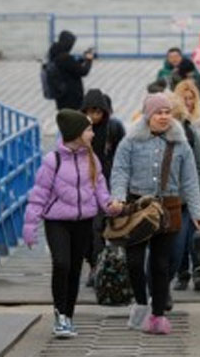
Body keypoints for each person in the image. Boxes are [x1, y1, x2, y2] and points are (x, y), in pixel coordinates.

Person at [109, 93, 200, 334]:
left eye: (167, 112)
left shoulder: (181, 144)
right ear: (148, 115)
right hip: (137, 207)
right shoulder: (130, 141)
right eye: (158, 113)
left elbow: (190, 181)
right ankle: (141, 302)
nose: (164, 117)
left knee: (161, 263)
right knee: (133, 260)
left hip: (168, 207)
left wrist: (197, 212)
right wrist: (118, 197)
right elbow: (119, 171)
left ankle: (157, 315)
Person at [23, 109, 120, 338]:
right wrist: (30, 226)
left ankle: (68, 316)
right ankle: (60, 315)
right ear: (76, 133)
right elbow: (39, 195)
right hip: (57, 222)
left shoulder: (91, 158)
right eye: (88, 130)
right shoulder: (52, 161)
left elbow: (100, 189)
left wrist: (110, 206)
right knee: (62, 263)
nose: (92, 134)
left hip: (83, 221)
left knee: (75, 269)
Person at [167, 94, 200, 292]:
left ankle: (194, 270)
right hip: (162, 202)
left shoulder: (189, 133)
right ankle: (171, 280)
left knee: (188, 240)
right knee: (169, 250)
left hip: (187, 199)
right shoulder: (151, 137)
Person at [80, 89, 126, 283]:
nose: (93, 117)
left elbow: (122, 156)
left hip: (105, 184)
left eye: (98, 112)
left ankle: (98, 266)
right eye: (89, 112)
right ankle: (92, 263)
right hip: (82, 185)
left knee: (98, 227)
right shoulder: (78, 130)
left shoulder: (112, 128)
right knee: (86, 231)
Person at [47, 30, 94, 111]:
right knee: (73, 121)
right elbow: (83, 71)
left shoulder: (55, 54)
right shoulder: (65, 58)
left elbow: (71, 67)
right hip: (71, 97)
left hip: (61, 95)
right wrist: (89, 60)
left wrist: (82, 59)